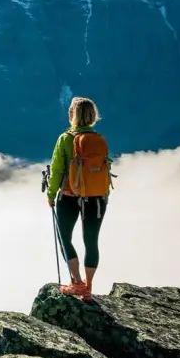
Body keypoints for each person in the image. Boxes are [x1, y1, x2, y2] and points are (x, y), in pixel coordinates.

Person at [46, 96, 111, 302]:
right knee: (91, 241)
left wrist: (50, 194)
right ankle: (88, 289)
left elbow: (56, 170)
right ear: (93, 115)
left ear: (73, 115)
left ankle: (76, 282)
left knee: (65, 237)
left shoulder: (65, 139)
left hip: (69, 196)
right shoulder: (99, 139)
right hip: (98, 197)